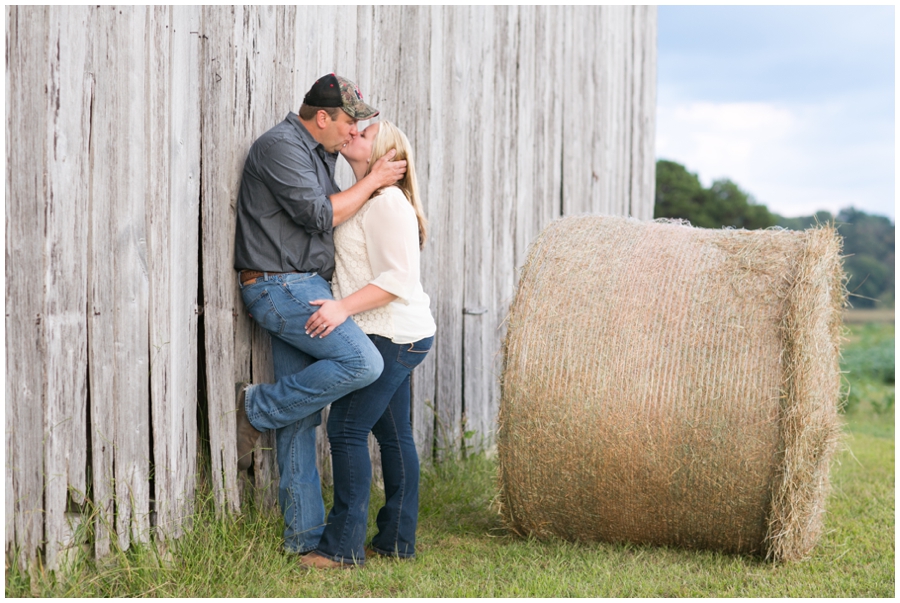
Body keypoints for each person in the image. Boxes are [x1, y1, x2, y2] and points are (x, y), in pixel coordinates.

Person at [232, 74, 407, 556]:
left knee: (300, 419)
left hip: (304, 286)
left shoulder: (318, 152)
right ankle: (255, 407)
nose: (354, 133)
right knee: (363, 363)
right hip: (277, 286)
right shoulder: (280, 147)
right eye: (349, 123)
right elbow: (318, 215)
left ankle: (303, 539)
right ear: (323, 117)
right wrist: (372, 180)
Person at [297, 121, 436, 569]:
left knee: (346, 429)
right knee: (394, 437)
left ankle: (341, 548)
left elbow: (397, 280)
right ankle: (397, 541)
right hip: (391, 331)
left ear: (385, 154)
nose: (354, 132)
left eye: (367, 132)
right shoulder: (367, 198)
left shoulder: (388, 205)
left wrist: (341, 307)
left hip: (395, 333)